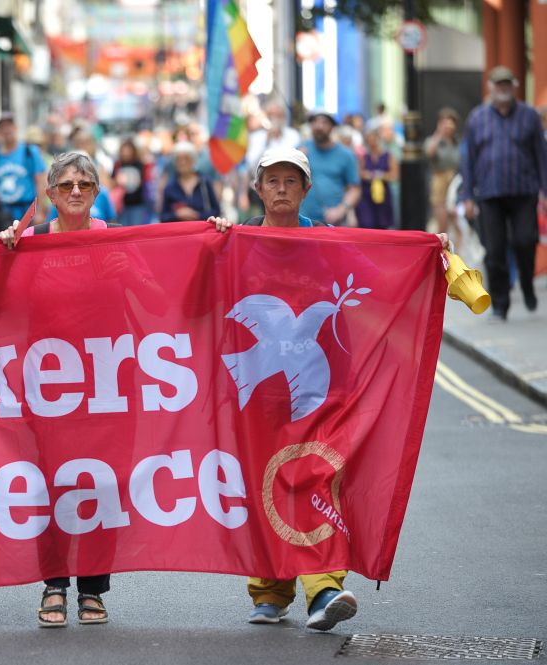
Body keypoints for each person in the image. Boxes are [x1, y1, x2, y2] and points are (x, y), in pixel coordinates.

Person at [207, 147, 449, 631]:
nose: (280, 189)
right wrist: (207, 240)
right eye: (271, 180)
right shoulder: (235, 242)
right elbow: (190, 288)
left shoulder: (330, 241)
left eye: (290, 181)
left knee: (313, 477)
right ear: (256, 189)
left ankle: (324, 588)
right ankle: (271, 590)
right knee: (263, 484)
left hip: (323, 387)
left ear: (306, 190)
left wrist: (425, 250)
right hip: (256, 391)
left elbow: (383, 275)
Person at [0, 152, 120, 628]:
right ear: (49, 194)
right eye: (65, 184)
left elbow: (149, 287)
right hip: (45, 381)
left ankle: (93, 587)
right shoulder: (27, 242)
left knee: (99, 481)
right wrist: (6, 255)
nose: (75, 191)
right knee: (50, 482)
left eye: (85, 184)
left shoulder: (113, 239)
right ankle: (54, 583)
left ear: (96, 193)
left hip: (104, 380)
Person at [460, 65, 547, 320]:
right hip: (489, 194)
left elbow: (542, 156)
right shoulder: (477, 118)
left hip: (524, 192)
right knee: (494, 249)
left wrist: (545, 190)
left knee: (524, 241)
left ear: (514, 87)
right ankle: (500, 303)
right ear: (491, 88)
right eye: (499, 85)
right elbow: (469, 160)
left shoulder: (529, 116)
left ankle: (528, 285)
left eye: (507, 84)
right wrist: (466, 196)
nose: (503, 89)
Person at [242, 99, 302, 214]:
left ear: (284, 117)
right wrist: (266, 142)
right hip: (261, 190)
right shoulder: (257, 137)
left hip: (287, 189)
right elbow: (251, 166)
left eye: (278, 115)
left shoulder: (293, 136)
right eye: (271, 115)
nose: (274, 119)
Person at [300, 111, 361, 225]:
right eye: (315, 122)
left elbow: (354, 189)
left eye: (324, 122)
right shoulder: (301, 150)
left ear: (333, 127)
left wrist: (341, 210)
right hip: (303, 220)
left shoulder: (346, 154)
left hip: (334, 221)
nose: (319, 126)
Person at [0, 111, 48, 224]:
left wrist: (40, 211)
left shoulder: (29, 152)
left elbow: (41, 182)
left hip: (27, 212)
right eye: (3, 127)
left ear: (15, 128)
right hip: (2, 214)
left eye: (9, 126)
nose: (7, 130)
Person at [159, 142, 221, 223]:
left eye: (186, 158)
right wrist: (176, 214)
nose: (182, 162)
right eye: (178, 159)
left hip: (201, 232)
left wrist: (197, 215)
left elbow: (216, 211)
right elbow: (163, 217)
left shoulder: (204, 183)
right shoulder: (170, 187)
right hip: (179, 233)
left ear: (193, 160)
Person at [424, 108, 461, 236]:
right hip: (439, 181)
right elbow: (429, 152)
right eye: (445, 123)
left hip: (455, 183)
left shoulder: (457, 142)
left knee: (457, 223)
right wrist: (439, 134)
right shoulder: (434, 141)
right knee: (442, 222)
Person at [355, 124, 398, 230]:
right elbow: (359, 173)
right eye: (369, 140)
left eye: (373, 139)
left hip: (383, 195)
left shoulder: (388, 155)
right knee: (367, 224)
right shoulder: (364, 157)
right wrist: (368, 175)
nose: (372, 142)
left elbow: (395, 175)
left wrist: (381, 175)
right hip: (367, 195)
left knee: (383, 225)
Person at [112, 138, 152, 226]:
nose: (126, 153)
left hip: (137, 203)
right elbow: (112, 182)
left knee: (136, 229)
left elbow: (145, 181)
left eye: (128, 151)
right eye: (124, 151)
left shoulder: (140, 164)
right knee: (122, 228)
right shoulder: (118, 164)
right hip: (122, 204)